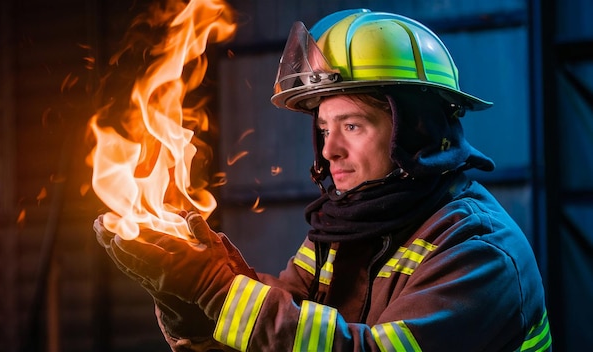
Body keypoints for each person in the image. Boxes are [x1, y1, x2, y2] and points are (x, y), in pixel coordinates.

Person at [94, 9, 552, 351]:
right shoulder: (344, 228)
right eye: (323, 129)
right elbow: (283, 334)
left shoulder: (476, 249)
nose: (330, 149)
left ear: (416, 129)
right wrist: (190, 305)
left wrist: (216, 288)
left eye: (352, 126)